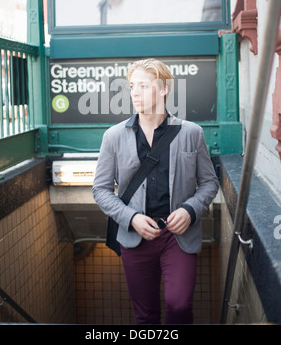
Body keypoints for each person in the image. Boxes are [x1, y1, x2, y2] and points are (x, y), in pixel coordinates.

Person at [92, 58, 219, 324]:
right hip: (136, 237)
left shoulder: (191, 133)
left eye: (143, 86)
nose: (134, 93)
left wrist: (190, 210)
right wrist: (131, 218)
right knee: (146, 315)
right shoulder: (113, 136)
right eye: (131, 86)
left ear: (163, 89)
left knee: (180, 305)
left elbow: (209, 183)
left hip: (178, 236)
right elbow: (101, 190)